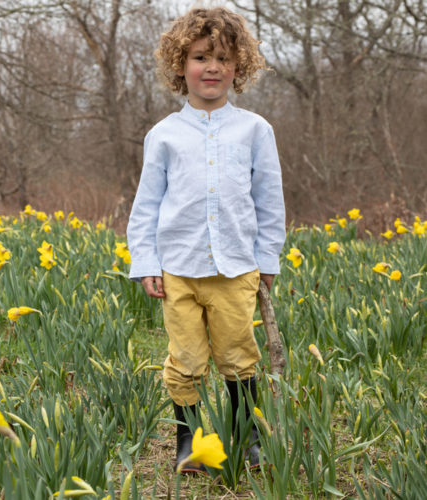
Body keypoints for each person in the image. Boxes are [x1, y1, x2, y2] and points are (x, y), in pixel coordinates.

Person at [126, 7, 286, 473]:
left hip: (237, 267)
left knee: (239, 357)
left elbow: (269, 201)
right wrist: (146, 262)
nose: (211, 67)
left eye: (222, 57)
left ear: (240, 66)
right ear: (180, 65)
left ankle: (247, 440)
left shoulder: (256, 130)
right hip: (178, 267)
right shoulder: (164, 135)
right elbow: (147, 205)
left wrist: (267, 259)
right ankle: (190, 442)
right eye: (199, 57)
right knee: (186, 359)